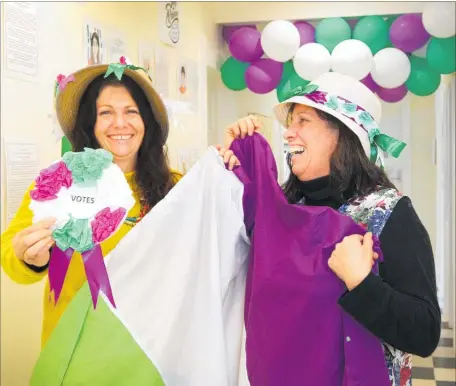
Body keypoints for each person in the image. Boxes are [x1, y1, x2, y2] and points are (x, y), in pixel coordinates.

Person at [219, 72, 440, 385]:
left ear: (342, 132)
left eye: (303, 121)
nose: (287, 134)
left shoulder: (388, 213)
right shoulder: (281, 209)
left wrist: (362, 284)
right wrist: (233, 167)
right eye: (290, 123)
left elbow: (424, 334)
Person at [0, 59, 198, 347]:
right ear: (89, 123)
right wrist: (29, 259)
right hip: (76, 350)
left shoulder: (176, 188)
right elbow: (10, 254)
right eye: (105, 112)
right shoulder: (59, 184)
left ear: (147, 122)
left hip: (152, 352)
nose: (120, 123)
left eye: (131, 111)